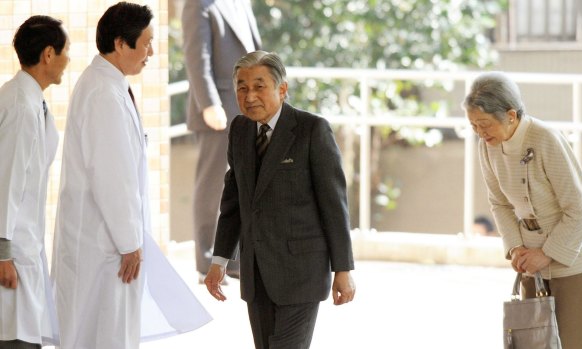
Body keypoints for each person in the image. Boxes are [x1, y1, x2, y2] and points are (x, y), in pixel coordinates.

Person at [51, 3, 211, 348]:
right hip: (105, 245)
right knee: (107, 334)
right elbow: (112, 176)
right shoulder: (102, 93)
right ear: (121, 44)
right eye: (147, 43)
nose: (151, 52)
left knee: (110, 331)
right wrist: (129, 243)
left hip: (106, 240)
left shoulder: (110, 84)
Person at [204, 50, 356, 349]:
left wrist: (343, 269)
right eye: (242, 88)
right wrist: (220, 260)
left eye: (259, 86)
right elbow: (234, 201)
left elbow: (334, 206)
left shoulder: (312, 130)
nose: (249, 97)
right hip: (256, 274)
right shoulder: (240, 129)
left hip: (301, 274)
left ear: (282, 89)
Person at [463, 71, 582, 349]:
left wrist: (546, 254)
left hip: (573, 255)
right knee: (533, 340)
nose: (480, 133)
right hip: (529, 256)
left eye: (484, 124)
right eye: (473, 126)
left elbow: (580, 210)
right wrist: (516, 248)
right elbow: (499, 202)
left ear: (510, 115)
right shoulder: (488, 147)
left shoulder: (545, 139)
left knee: (574, 341)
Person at [0, 15, 69, 349]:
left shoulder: (31, 101)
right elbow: (6, 182)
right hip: (11, 254)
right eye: (65, 51)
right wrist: (2, 253)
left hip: (23, 248)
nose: (68, 60)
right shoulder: (19, 105)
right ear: (48, 55)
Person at [182, 0, 262, 282]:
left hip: (247, 107)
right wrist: (209, 104)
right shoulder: (198, 4)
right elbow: (196, 57)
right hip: (217, 111)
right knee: (213, 185)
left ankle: (235, 258)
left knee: (242, 185)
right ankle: (207, 260)